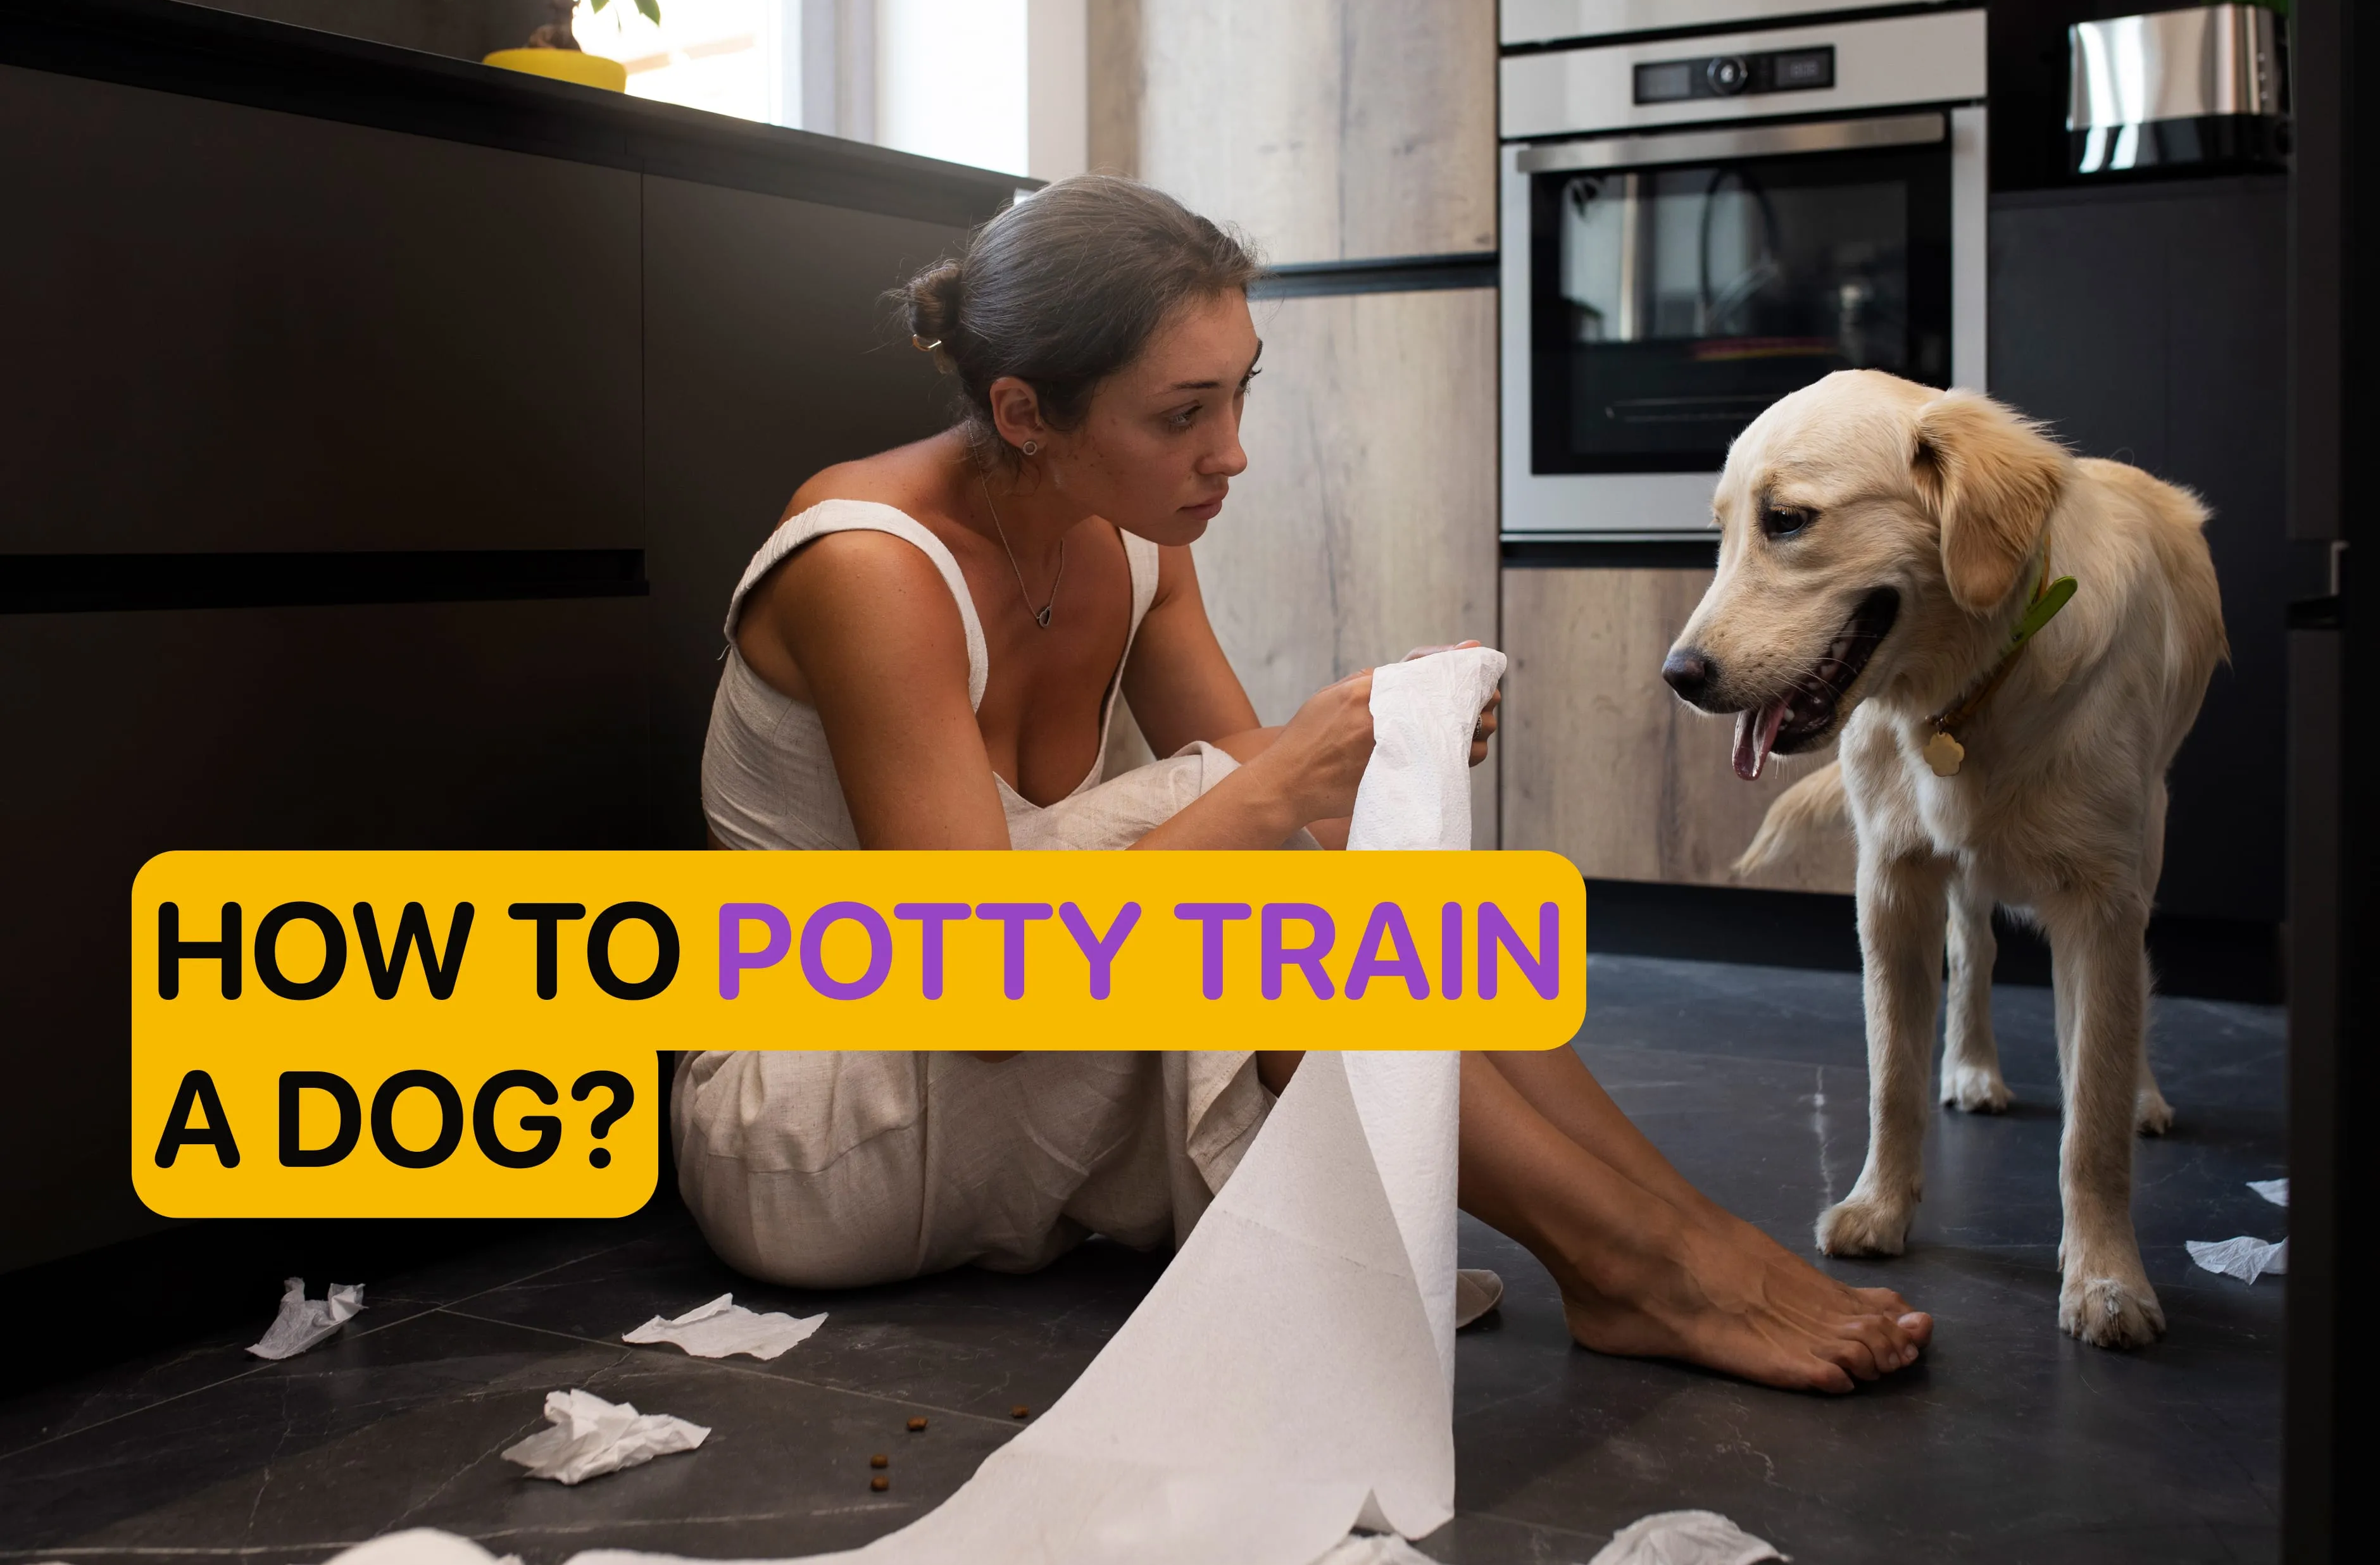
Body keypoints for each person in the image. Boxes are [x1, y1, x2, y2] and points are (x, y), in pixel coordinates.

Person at [682, 174, 1931, 1394]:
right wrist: (1292, 776)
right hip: (818, 1116)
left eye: (1240, 393)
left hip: (1013, 1101)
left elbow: (1301, 839)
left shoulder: (1133, 536)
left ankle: (1677, 1233)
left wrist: (1389, 747)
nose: (1229, 452)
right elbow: (978, 988)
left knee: (1312, 874)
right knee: (1254, 855)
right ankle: (1633, 1264)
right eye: (1182, 415)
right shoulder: (870, 566)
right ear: (1023, 414)